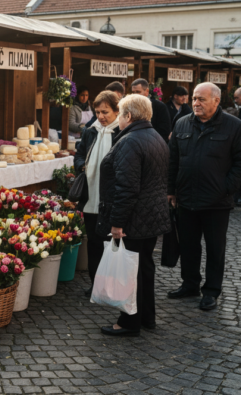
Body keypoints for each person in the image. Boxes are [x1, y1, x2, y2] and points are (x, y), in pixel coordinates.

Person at [167, 83, 241, 311]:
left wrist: (226, 189)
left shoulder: (234, 126)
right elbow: (172, 161)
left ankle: (212, 291)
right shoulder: (182, 123)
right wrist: (171, 190)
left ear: (216, 101)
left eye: (201, 99)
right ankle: (190, 284)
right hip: (186, 199)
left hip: (216, 202)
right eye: (194, 98)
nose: (195, 103)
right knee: (188, 246)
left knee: (215, 249)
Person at [96, 94, 170, 337]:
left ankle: (129, 322)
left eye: (120, 114)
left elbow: (126, 188)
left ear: (128, 115)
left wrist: (117, 223)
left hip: (135, 218)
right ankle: (147, 317)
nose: (118, 118)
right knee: (144, 268)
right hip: (150, 216)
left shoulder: (131, 140)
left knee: (132, 271)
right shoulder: (155, 136)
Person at [73, 91, 120, 295]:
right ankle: (95, 284)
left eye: (105, 112)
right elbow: (79, 154)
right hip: (91, 196)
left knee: (112, 244)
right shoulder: (90, 131)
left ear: (117, 111)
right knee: (93, 242)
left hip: (112, 198)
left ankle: (113, 284)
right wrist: (82, 165)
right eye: (98, 111)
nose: (101, 116)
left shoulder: (122, 132)